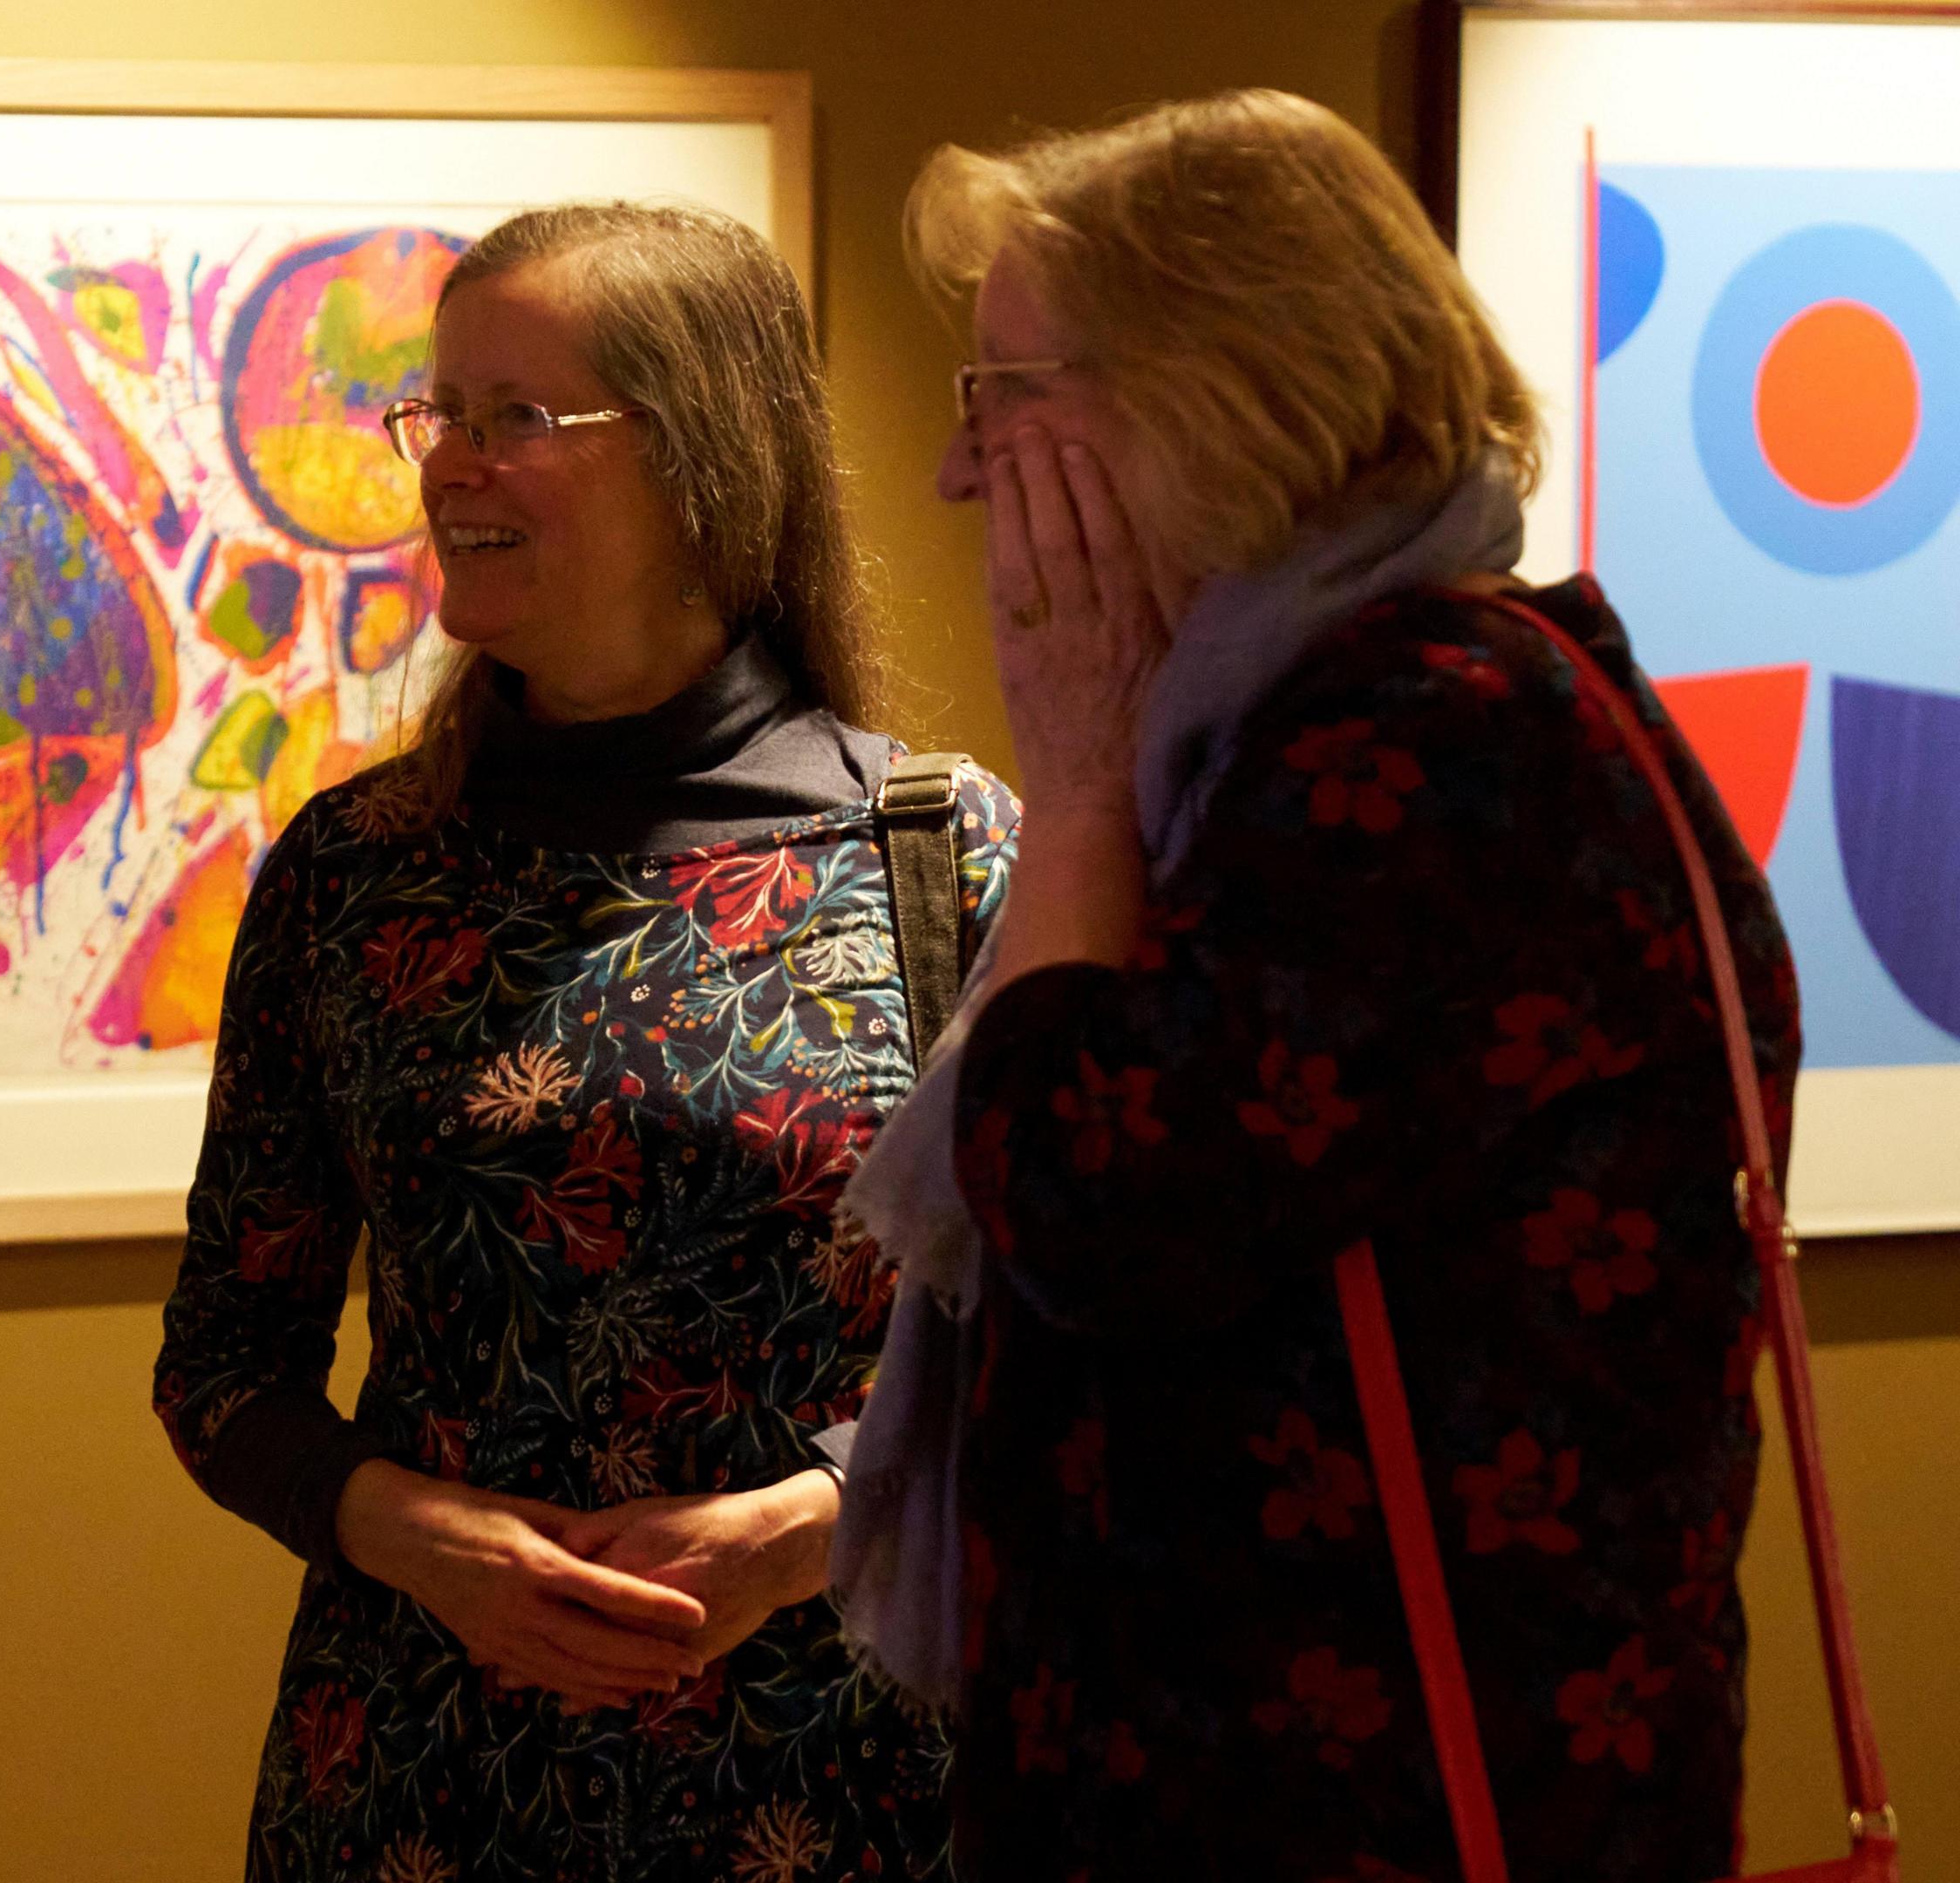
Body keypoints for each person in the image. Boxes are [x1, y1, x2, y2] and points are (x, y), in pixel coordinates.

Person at [830, 91, 1795, 1878]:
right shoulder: (1384, 714)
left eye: (1005, 396)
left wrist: (1079, 771)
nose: (964, 470)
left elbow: (1087, 1204)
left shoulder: (1429, 747)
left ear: (1218, 391)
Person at [153, 201, 1017, 1882]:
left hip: (831, 1779)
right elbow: (221, 1366)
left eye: (514, 420)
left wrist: (809, 1524)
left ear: (700, 458)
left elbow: (1058, 1347)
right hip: (422, 1775)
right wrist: (413, 1533)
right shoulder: (355, 872)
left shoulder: (946, 852)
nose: (447, 466)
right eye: (437, 415)